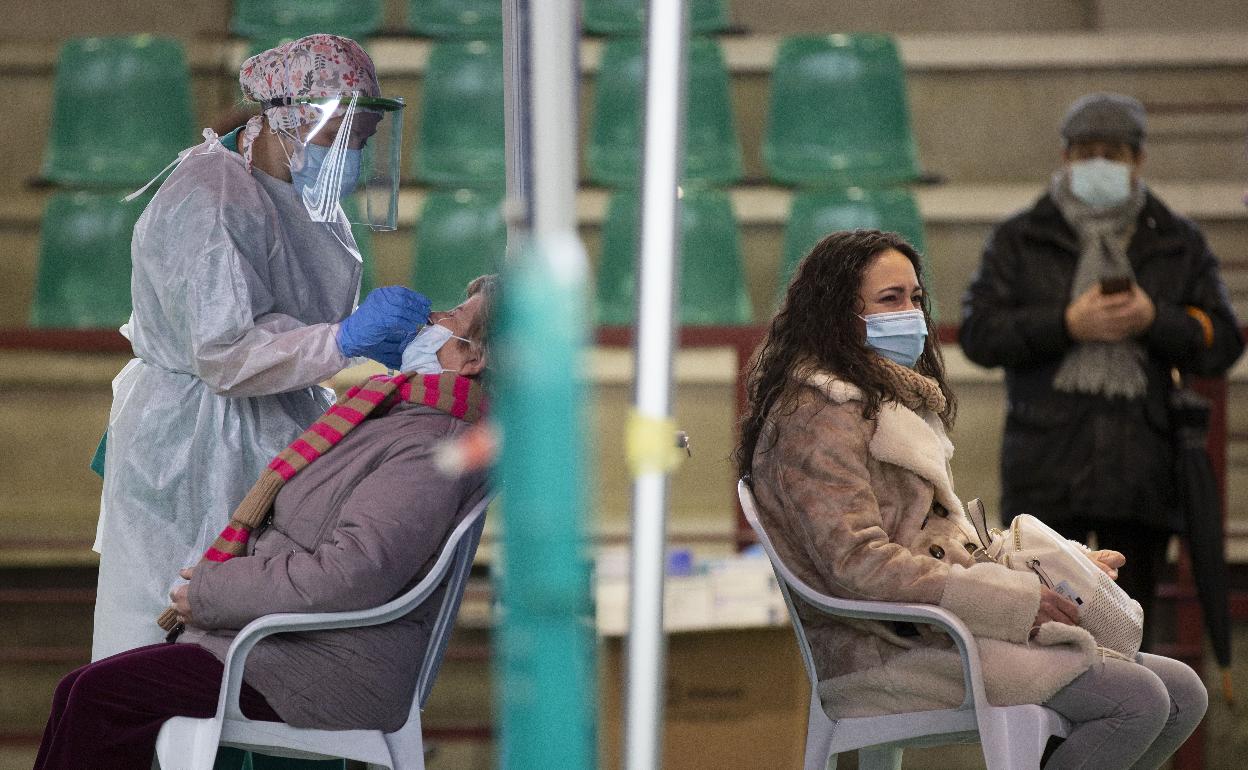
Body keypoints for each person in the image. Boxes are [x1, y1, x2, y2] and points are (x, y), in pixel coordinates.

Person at [737, 230, 1207, 770]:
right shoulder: (816, 415)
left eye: (916, 298)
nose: (910, 313)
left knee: (1183, 692)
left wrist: (1062, 567)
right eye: (890, 299)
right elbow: (857, 563)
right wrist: (1010, 602)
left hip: (939, 628)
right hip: (886, 646)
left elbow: (947, 544)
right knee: (1138, 700)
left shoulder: (881, 403)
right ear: (837, 313)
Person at [35, 276, 497, 770]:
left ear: (475, 359)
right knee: (80, 689)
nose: (432, 319)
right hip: (294, 647)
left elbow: (352, 570)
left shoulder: (427, 444)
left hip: (323, 664)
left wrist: (213, 592)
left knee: (99, 697)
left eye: (453, 318)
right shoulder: (409, 420)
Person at [92, 34, 432, 663]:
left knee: (250, 628)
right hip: (192, 439)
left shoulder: (306, 197)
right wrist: (344, 339)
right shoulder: (212, 196)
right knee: (172, 625)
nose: (349, 158)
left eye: (359, 143)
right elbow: (223, 351)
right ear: (284, 120)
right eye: (339, 139)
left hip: (268, 416)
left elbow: (287, 316)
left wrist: (363, 336)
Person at [959, 92, 1244, 649]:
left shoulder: (1177, 240)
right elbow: (980, 334)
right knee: (1038, 631)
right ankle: (1042, 739)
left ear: (1137, 161)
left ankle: (1124, 729)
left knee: (1126, 634)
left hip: (1141, 468)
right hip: (1045, 463)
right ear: (1064, 157)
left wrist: (1153, 319)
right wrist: (1066, 323)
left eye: (1111, 153)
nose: (1098, 164)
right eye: (1086, 151)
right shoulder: (1020, 237)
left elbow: (1222, 342)